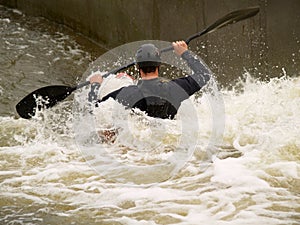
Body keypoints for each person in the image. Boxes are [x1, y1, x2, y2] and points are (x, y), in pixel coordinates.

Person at [89, 41, 211, 119]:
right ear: (159, 66)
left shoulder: (127, 93)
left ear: (138, 67)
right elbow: (204, 74)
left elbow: (93, 110)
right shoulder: (176, 88)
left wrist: (95, 85)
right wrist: (185, 53)